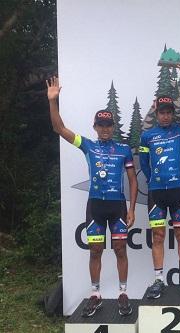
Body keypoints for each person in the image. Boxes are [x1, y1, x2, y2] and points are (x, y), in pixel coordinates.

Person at [47, 77, 138, 317]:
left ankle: (123, 293)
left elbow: (132, 180)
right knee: (95, 251)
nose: (105, 129)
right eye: (101, 125)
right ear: (95, 127)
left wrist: (132, 209)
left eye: (109, 125)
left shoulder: (123, 149)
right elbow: (59, 128)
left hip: (118, 206)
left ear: (113, 126)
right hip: (95, 206)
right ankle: (95, 294)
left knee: (120, 249)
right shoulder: (88, 145)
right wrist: (53, 101)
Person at [139, 63, 180, 298]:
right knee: (158, 236)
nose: (164, 115)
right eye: (161, 112)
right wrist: (153, 178)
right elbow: (144, 163)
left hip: (177, 191)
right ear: (157, 114)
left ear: (172, 114)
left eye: (168, 112)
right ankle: (158, 280)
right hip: (156, 193)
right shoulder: (147, 135)